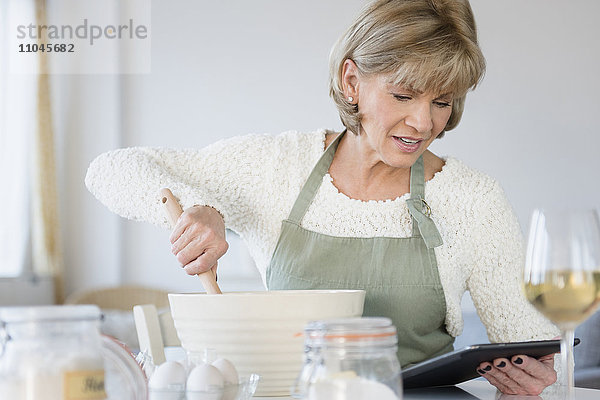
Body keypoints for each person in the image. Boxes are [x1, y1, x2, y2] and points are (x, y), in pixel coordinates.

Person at [86, 0, 559, 395]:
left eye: (442, 101)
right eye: (403, 95)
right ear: (352, 81)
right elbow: (108, 168)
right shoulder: (275, 166)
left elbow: (535, 353)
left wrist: (531, 384)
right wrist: (197, 207)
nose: (423, 123)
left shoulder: (472, 198)